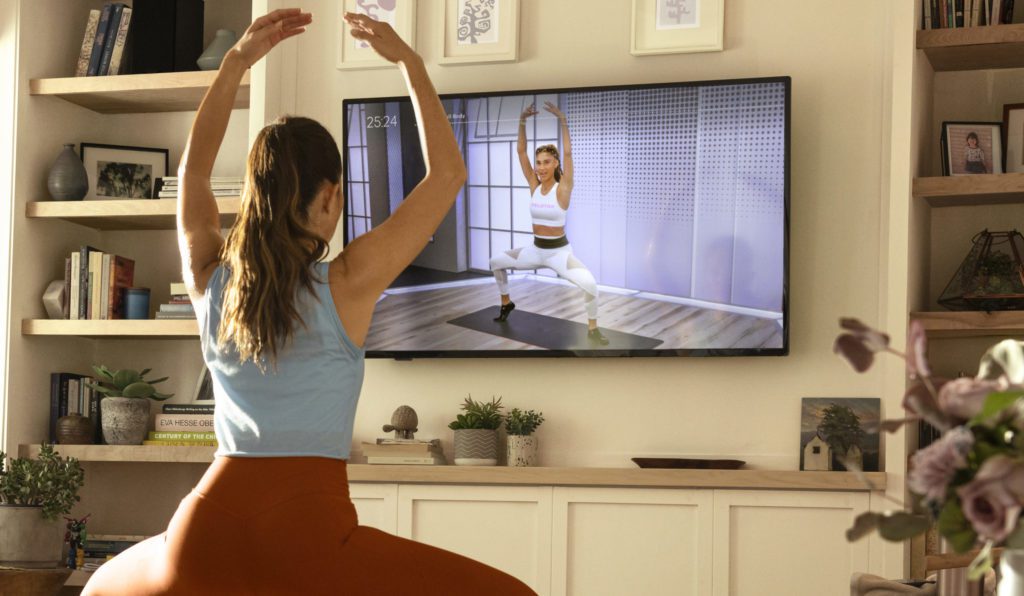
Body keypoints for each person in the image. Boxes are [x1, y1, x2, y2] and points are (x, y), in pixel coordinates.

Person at [83, 10, 535, 596]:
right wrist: (411, 64)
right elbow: (447, 174)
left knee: (97, 588)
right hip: (306, 536)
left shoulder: (210, 277)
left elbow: (193, 172)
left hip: (203, 528)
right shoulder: (347, 279)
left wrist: (236, 63)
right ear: (329, 196)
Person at [488, 101, 609, 346]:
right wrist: (522, 120)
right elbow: (521, 152)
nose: (540, 167)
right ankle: (506, 303)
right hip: (536, 250)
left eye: (546, 162)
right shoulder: (534, 185)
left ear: (554, 164)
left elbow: (568, 153)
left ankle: (593, 329)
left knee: (590, 285)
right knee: (495, 262)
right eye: (539, 162)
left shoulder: (563, 187)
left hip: (558, 253)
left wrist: (562, 120)